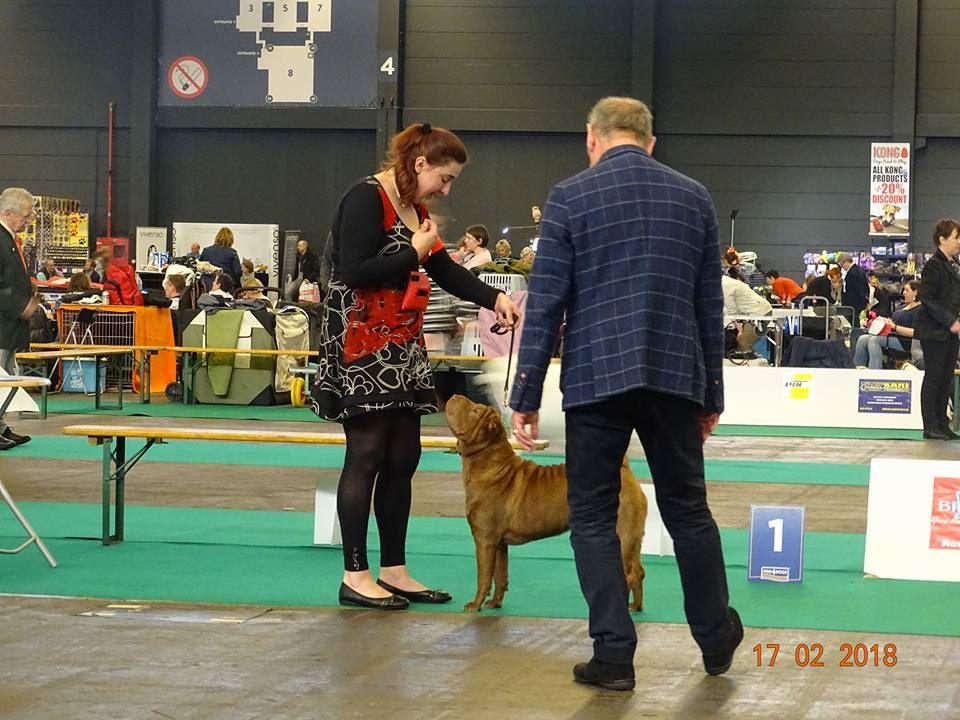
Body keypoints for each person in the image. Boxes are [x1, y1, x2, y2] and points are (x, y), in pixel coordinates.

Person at [509, 97, 741, 689]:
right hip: (674, 378)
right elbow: (708, 306)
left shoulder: (568, 197)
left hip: (595, 378)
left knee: (590, 517)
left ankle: (613, 655)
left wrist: (527, 391)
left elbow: (547, 306)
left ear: (592, 138)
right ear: (650, 141)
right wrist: (712, 394)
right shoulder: (695, 197)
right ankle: (715, 639)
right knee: (688, 512)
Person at [312, 122, 520, 611]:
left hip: (401, 344)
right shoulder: (365, 198)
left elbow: (444, 270)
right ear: (419, 163)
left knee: (404, 456)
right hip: (360, 342)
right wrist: (415, 250)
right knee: (366, 453)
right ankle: (355, 575)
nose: (447, 189)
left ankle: (394, 570)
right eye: (444, 178)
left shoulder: (415, 208)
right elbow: (354, 272)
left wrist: (495, 298)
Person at [914, 219, 960, 440]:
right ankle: (929, 425)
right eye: (956, 237)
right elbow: (928, 299)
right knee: (934, 377)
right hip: (935, 331)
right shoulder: (933, 265)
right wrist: (950, 320)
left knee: (946, 377)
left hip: (951, 332)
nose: (959, 242)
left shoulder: (954, 264)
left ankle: (942, 423)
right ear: (942, 239)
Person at [0, 187, 38, 450]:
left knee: (6, 377)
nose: (28, 222)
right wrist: (20, 305)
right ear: (8, 213)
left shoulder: (9, 239)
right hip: (3, 323)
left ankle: (1, 427)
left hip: (9, 326)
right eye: (25, 217)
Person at [853, 279, 922, 369]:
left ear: (915, 292)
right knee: (862, 339)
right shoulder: (903, 306)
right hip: (891, 334)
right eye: (904, 290)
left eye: (907, 290)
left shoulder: (920, 310)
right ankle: (857, 370)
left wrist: (895, 327)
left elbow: (916, 332)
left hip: (905, 341)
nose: (904, 293)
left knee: (874, 340)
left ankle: (875, 374)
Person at [838, 252, 868, 327]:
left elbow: (857, 290)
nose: (842, 267)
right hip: (859, 303)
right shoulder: (859, 270)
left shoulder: (852, 273)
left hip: (854, 305)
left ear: (846, 262)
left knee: (855, 324)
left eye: (842, 265)